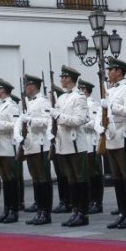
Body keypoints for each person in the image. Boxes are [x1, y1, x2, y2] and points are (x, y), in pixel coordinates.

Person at [103, 58, 126, 230]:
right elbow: (103, 114)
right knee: (117, 179)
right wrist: (100, 127)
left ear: (119, 71)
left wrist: (113, 106)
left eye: (111, 70)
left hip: (124, 138)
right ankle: (122, 212)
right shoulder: (110, 90)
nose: (108, 73)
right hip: (111, 138)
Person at [51, 65, 90, 227]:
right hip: (64, 143)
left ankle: (83, 213)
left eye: (63, 77)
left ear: (69, 79)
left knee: (80, 179)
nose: (61, 80)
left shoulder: (79, 97)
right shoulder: (61, 98)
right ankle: (75, 211)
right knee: (71, 179)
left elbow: (80, 120)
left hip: (75, 144)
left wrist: (59, 116)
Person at [18, 74, 53, 225]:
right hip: (30, 146)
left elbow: (47, 121)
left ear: (33, 86)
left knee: (44, 179)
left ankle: (46, 212)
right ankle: (39, 209)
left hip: (41, 145)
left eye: (27, 86)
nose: (25, 88)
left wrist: (30, 120)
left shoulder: (43, 102)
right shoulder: (27, 103)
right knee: (36, 180)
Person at [0, 78, 21, 224]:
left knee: (11, 180)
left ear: (3, 90)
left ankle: (13, 211)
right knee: (5, 180)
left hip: (8, 145)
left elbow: (15, 124)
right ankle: (6, 209)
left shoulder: (11, 106)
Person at [77, 78, 104, 215]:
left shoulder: (92, 105)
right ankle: (88, 200)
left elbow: (94, 123)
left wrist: (80, 123)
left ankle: (97, 202)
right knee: (85, 175)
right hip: (82, 143)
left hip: (91, 142)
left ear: (85, 90)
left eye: (81, 89)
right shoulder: (79, 104)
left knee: (95, 174)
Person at [50, 83, 72, 216]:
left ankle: (68, 201)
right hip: (57, 143)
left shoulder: (61, 109)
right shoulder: (54, 109)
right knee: (60, 175)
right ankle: (63, 200)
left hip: (66, 143)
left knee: (66, 175)